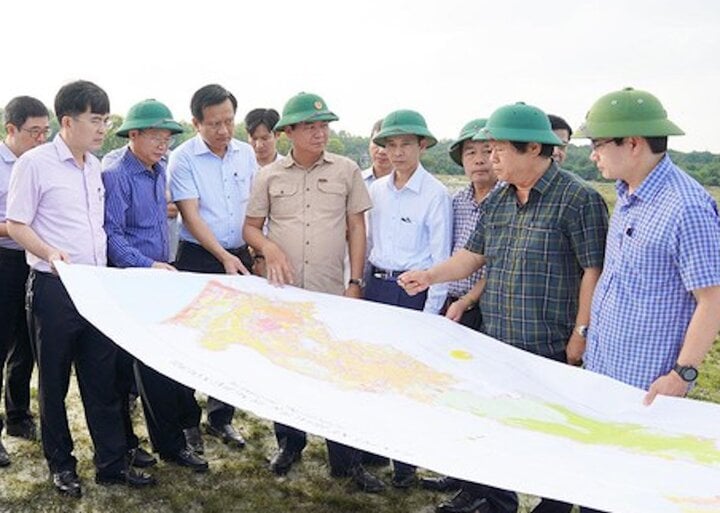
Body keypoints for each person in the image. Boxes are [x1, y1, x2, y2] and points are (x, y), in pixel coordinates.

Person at [398, 102, 608, 513]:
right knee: (498, 426)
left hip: (550, 342)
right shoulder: (498, 201)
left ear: (533, 149)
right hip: (498, 339)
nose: (490, 157)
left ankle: (554, 505)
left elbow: (592, 270)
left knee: (552, 435)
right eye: (488, 149)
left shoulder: (577, 199)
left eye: (498, 149)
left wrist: (580, 333)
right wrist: (430, 275)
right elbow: (473, 257)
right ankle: (496, 502)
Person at [6, 80, 155, 497]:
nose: (102, 127)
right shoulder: (34, 164)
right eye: (95, 119)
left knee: (101, 378)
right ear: (67, 121)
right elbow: (17, 224)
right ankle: (62, 465)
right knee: (53, 383)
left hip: (95, 286)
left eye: (106, 120)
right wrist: (50, 252)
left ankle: (110, 463)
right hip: (53, 287)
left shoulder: (95, 165)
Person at [243, 91, 384, 493]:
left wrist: (355, 281)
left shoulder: (345, 170)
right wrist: (268, 247)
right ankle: (290, 443)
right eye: (310, 126)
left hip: (331, 293)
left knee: (339, 375)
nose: (320, 133)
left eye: (324, 125)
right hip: (283, 293)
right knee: (285, 371)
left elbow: (357, 228)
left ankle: (347, 460)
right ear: (289, 132)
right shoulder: (268, 175)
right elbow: (251, 228)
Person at [575, 87, 720, 410]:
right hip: (604, 364)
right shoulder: (627, 195)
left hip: (646, 384)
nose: (592, 155)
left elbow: (712, 299)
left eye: (597, 144)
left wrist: (681, 375)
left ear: (633, 143)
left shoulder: (686, 208)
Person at [102, 99, 208, 473]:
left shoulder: (158, 168)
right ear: (133, 135)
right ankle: (126, 445)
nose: (164, 145)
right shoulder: (116, 174)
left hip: (160, 277)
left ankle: (170, 445)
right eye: (156, 137)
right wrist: (147, 265)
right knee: (121, 372)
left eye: (167, 138)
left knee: (160, 366)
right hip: (131, 280)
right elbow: (111, 234)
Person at [363, 109, 451, 488]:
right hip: (376, 287)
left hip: (413, 292)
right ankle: (375, 448)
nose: (397, 152)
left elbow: (440, 258)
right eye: (390, 144)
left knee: (409, 380)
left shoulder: (435, 194)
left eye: (405, 144)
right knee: (374, 373)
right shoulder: (376, 190)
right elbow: (366, 241)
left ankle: (406, 464)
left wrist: (430, 314)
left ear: (422, 146)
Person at [169, 84, 257, 452]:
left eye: (229, 121)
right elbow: (191, 216)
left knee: (232, 340)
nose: (223, 130)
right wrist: (222, 256)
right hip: (199, 257)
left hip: (241, 255)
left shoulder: (246, 154)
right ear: (196, 123)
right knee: (191, 341)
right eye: (214, 124)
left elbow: (254, 207)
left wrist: (251, 251)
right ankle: (187, 422)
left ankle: (221, 417)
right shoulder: (183, 158)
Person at [0, 96, 49, 467]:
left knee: (27, 344)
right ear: (11, 130)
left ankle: (18, 416)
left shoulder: (42, 164)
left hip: (35, 260)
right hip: (4, 258)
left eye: (45, 131)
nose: (41, 139)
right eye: (34, 132)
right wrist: (20, 226)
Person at [362, 118, 392, 187]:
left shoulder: (408, 183)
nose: (382, 151)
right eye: (377, 143)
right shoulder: (356, 180)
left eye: (387, 145)